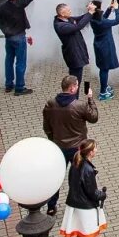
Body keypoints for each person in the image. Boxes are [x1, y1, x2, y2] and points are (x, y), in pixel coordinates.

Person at [43, 75, 99, 214]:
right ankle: (78, 204)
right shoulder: (79, 105)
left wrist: (53, 139)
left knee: (56, 177)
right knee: (78, 177)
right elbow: (94, 117)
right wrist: (90, 99)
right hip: (77, 149)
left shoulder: (50, 104)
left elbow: (47, 127)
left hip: (59, 147)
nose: (78, 87)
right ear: (72, 88)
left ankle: (51, 206)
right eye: (77, 85)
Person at [60, 139, 107, 237]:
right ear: (91, 152)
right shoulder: (88, 169)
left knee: (80, 234)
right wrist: (102, 195)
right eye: (95, 148)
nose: (96, 150)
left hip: (74, 204)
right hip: (86, 207)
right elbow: (92, 192)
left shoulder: (76, 163)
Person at [0, 0, 42, 95]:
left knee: (9, 61)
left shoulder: (2, 7)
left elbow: (0, 24)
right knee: (20, 63)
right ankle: (19, 87)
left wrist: (6, 33)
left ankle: (8, 85)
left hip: (9, 38)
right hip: (19, 36)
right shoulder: (19, 4)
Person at [54, 2, 94, 93]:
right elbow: (78, 26)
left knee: (76, 80)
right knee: (75, 81)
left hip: (77, 53)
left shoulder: (66, 19)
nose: (70, 12)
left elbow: (79, 18)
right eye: (68, 11)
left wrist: (89, 12)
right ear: (62, 14)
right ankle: (73, 100)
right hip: (73, 55)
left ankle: (73, 99)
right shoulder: (61, 26)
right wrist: (90, 13)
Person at [89, 0, 119, 100]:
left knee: (103, 68)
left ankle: (104, 87)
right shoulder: (102, 22)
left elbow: (103, 17)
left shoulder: (93, 18)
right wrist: (116, 9)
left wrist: (109, 8)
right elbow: (117, 20)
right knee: (104, 69)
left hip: (99, 45)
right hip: (105, 47)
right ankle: (103, 92)